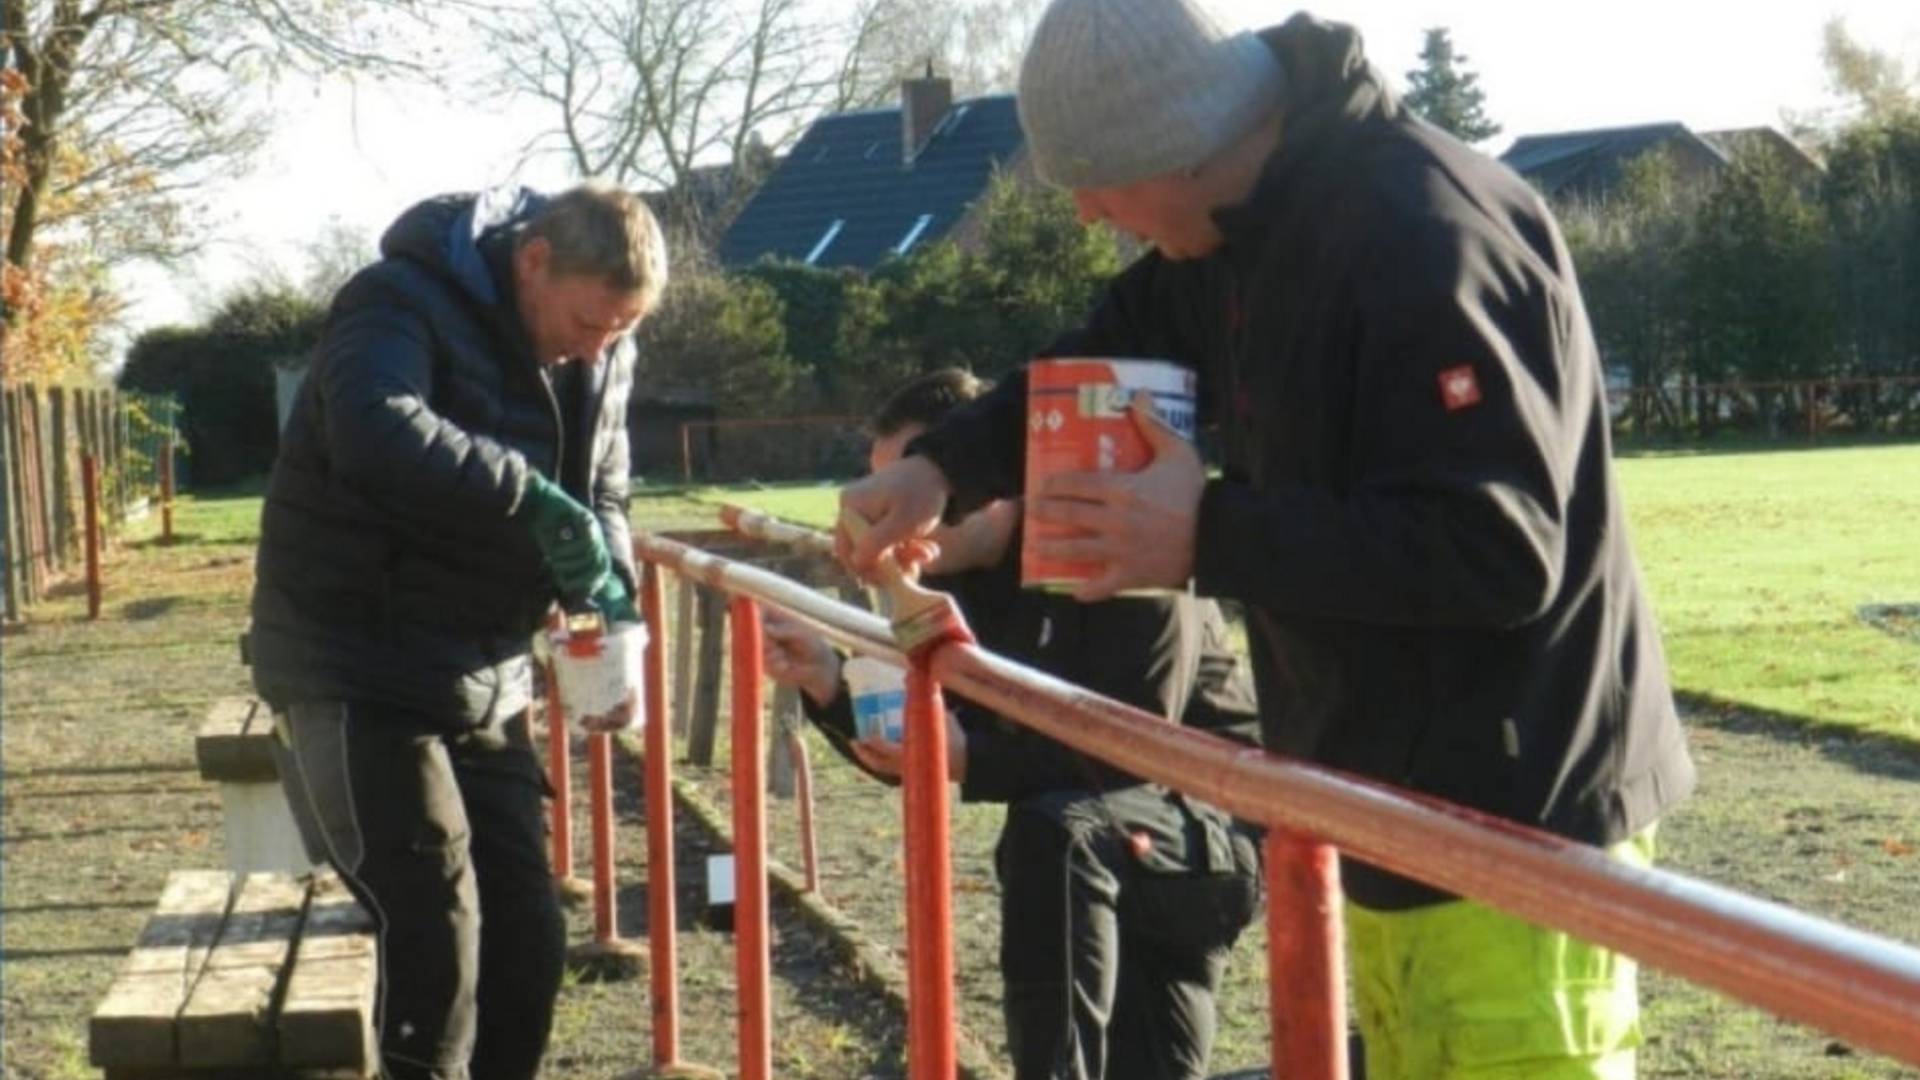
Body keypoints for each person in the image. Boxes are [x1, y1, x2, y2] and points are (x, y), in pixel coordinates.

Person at [836, 3, 1698, 1078]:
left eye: (1096, 182)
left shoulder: (1427, 233)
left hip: (1515, 808)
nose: (1094, 214)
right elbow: (1102, 351)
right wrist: (941, 469)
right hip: (1379, 794)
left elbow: (1500, 545)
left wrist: (1206, 534)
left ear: (1177, 142)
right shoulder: (1232, 240)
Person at [247, 183, 666, 1080]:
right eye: (591, 323)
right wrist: (531, 502)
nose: (598, 350)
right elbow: (372, 428)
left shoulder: (602, 351)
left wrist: (613, 592)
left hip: (487, 671)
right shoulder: (395, 300)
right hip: (353, 665)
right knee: (433, 942)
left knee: (527, 939)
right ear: (533, 262)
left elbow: (601, 493)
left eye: (621, 333)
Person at [764, 368, 1263, 1080]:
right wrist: (831, 685)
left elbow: (1134, 748)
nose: (897, 528)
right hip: (1101, 842)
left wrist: (975, 758)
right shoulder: (942, 581)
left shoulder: (1110, 543)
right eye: (885, 499)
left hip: (1206, 832)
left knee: (1054, 835)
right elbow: (926, 744)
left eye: (916, 498)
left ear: (984, 480)